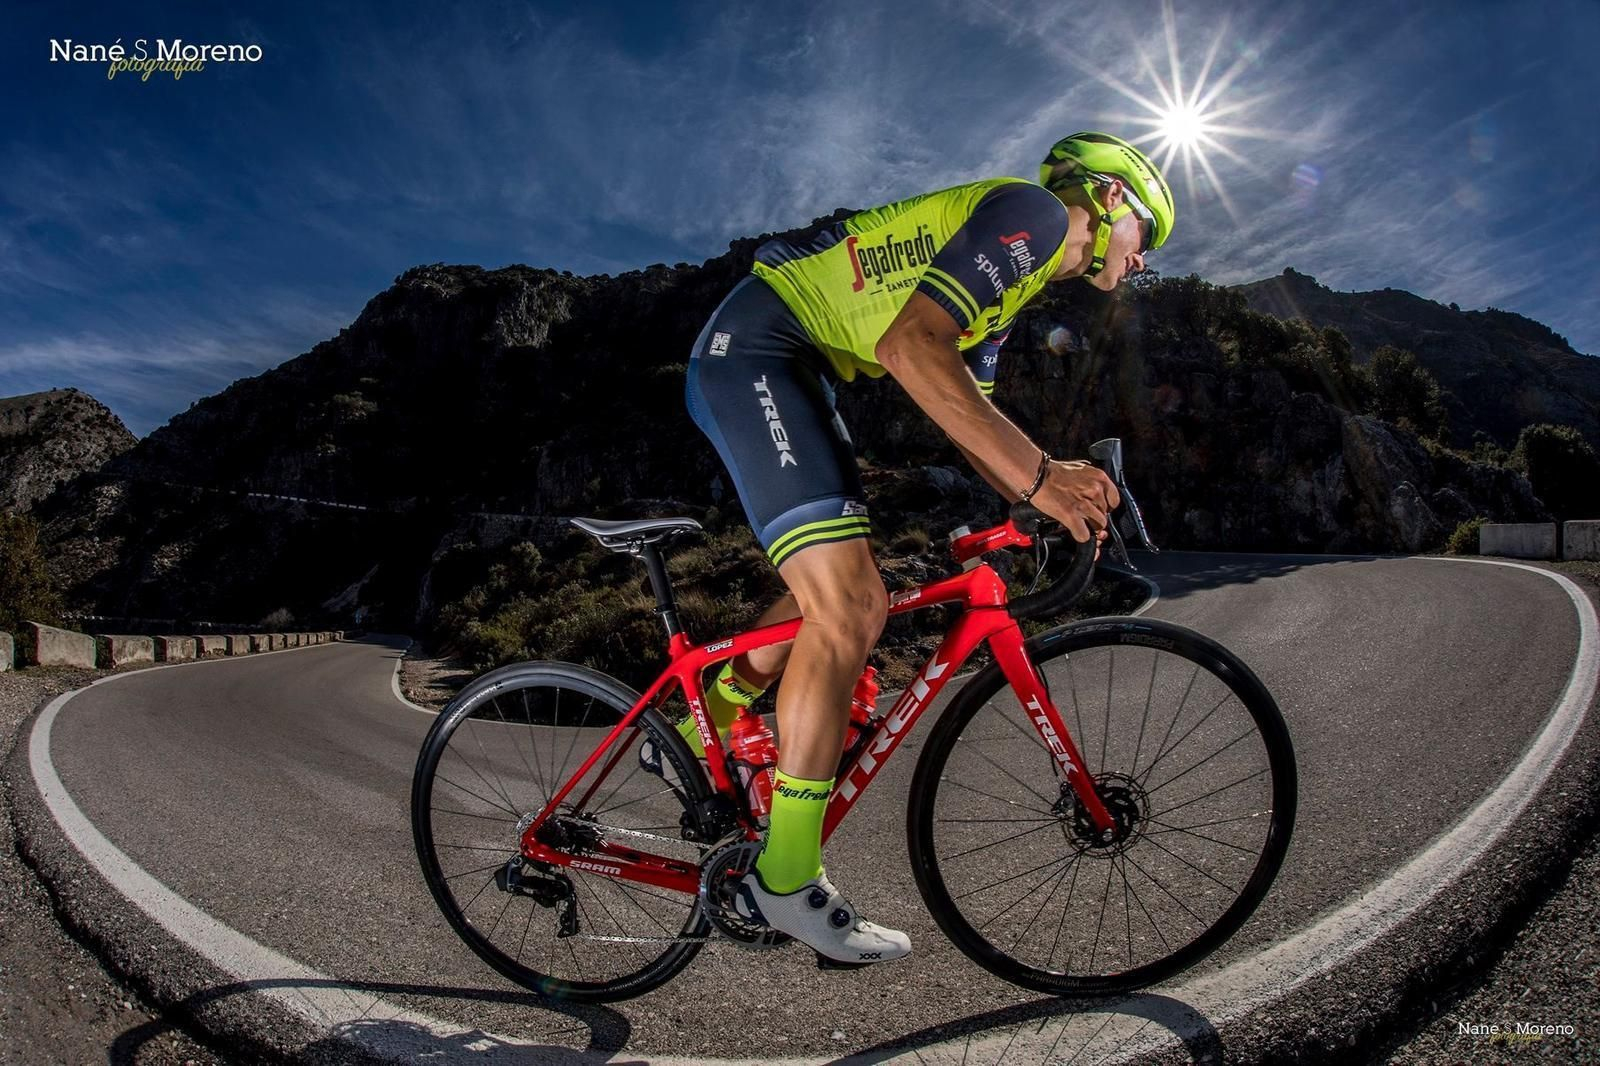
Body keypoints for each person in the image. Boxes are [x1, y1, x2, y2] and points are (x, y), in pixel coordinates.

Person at [672, 132, 1175, 966]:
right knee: (852, 605)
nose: (1140, 264)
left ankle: (705, 719)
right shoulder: (1040, 215)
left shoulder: (1009, 291)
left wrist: (1037, 499)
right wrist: (1042, 474)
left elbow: (967, 420)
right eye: (1145, 245)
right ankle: (787, 877)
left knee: (839, 584)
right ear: (1117, 202)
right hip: (758, 351)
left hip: (794, 362)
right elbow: (909, 350)